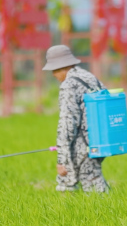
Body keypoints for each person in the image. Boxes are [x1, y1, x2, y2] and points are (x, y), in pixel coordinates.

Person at [42, 45, 110, 193]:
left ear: (62, 67)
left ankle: (64, 214)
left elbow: (67, 124)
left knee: (67, 181)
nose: (53, 74)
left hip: (83, 144)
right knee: (92, 177)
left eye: (54, 70)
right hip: (101, 139)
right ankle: (105, 209)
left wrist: (62, 159)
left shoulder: (69, 84)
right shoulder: (88, 77)